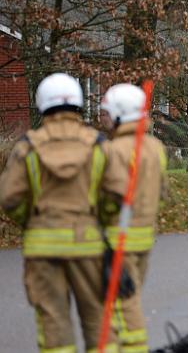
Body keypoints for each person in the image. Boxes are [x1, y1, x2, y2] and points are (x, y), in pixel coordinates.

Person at [0, 73, 124, 352]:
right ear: (79, 104)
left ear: (42, 103)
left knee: (53, 323)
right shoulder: (98, 144)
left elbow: (9, 198)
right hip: (88, 244)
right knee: (97, 320)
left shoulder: (26, 147)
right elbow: (117, 193)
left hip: (43, 248)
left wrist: (32, 221)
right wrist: (98, 219)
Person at [100, 83, 168, 353]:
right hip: (143, 239)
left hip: (118, 242)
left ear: (119, 114)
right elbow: (162, 191)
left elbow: (107, 199)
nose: (102, 117)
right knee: (126, 302)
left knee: (122, 305)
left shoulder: (114, 151)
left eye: (105, 112)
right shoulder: (155, 147)